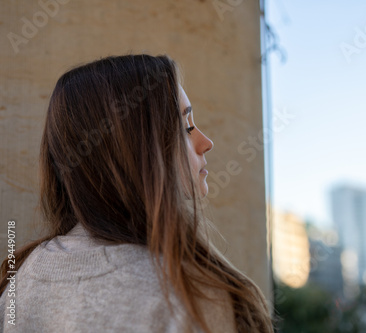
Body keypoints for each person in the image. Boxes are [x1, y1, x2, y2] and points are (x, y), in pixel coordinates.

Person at [0, 54, 274, 332]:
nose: (206, 142)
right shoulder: (192, 298)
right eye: (185, 126)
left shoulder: (18, 279)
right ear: (133, 148)